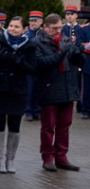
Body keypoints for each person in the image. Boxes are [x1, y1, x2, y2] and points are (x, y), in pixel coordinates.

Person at [32, 13, 85, 171]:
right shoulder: (37, 43)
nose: (58, 31)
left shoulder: (65, 39)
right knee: (48, 127)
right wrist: (62, 53)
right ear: (45, 27)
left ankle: (61, 156)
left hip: (67, 88)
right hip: (49, 88)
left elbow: (77, 62)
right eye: (54, 28)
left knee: (64, 126)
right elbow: (42, 63)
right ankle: (48, 157)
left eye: (60, 28)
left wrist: (79, 53)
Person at [0, 16, 35, 173]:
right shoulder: (0, 40)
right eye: (11, 26)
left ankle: (10, 159)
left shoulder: (29, 45)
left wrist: (19, 62)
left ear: (24, 29)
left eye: (17, 26)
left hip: (17, 90)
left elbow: (32, 68)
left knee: (15, 125)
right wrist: (0, 57)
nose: (12, 29)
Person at [24, 11, 44, 121]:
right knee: (29, 90)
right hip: (29, 67)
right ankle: (28, 111)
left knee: (38, 90)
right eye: (31, 21)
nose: (33, 23)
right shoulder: (27, 35)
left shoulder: (43, 34)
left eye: (35, 21)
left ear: (41, 22)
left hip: (40, 67)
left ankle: (37, 110)